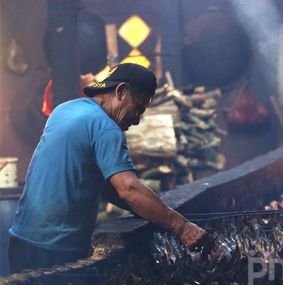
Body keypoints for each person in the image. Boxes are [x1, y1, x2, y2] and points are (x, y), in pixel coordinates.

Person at [9, 63, 209, 273]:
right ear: (121, 91)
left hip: (22, 240)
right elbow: (128, 189)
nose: (137, 119)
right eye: (138, 108)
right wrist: (182, 227)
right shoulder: (107, 129)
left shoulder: (65, 109)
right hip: (56, 249)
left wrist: (145, 209)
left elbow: (105, 185)